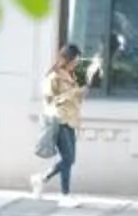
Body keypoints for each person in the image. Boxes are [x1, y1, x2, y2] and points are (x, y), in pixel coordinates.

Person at [31, 43, 92, 199]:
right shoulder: (54, 77)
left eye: (78, 61)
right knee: (68, 159)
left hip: (71, 121)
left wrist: (81, 92)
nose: (76, 64)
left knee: (70, 160)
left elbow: (77, 98)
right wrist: (73, 93)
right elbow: (49, 100)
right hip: (59, 120)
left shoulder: (74, 76)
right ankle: (64, 195)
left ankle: (42, 179)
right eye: (75, 60)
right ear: (67, 59)